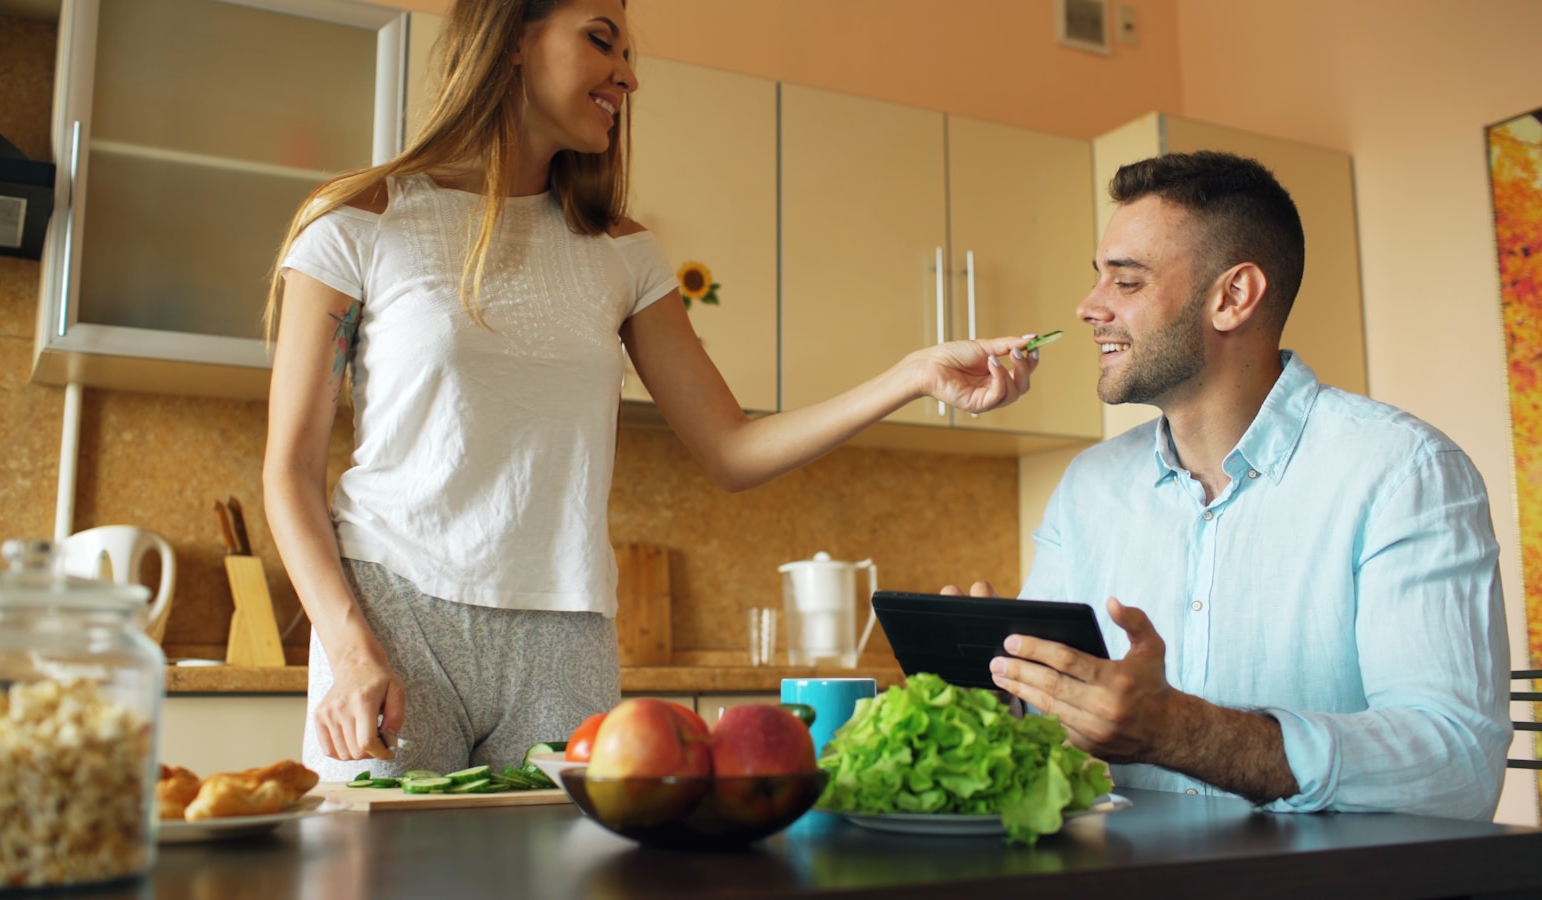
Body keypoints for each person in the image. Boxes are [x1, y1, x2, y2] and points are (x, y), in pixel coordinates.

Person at [261, 0, 1043, 783]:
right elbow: (290, 471)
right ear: (512, 42)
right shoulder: (359, 223)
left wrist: (911, 375)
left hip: (567, 639)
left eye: (628, 52)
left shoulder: (621, 255)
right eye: (601, 41)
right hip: (394, 619)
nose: (628, 76)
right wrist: (349, 646)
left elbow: (734, 449)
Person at [947, 150, 1511, 820]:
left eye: (1125, 283)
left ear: (1233, 296)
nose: (1089, 307)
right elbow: (1055, 725)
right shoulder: (1089, 489)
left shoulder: (1404, 471)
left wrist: (1183, 733)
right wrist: (1002, 684)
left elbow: (1457, 765)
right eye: (1098, 278)